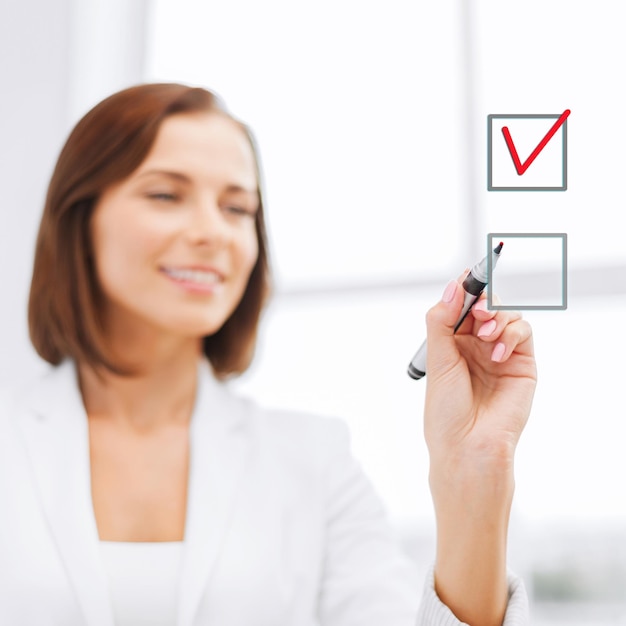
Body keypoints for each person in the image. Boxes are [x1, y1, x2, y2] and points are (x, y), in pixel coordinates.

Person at [0, 83, 536, 625]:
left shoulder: (314, 463)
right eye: (165, 195)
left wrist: (475, 470)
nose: (213, 232)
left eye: (237, 208)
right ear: (79, 220)